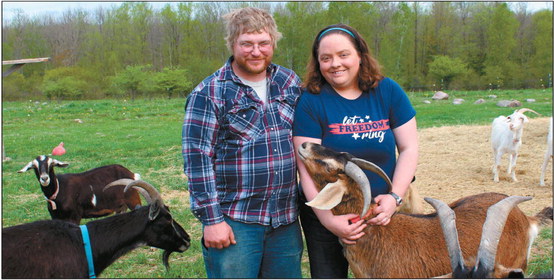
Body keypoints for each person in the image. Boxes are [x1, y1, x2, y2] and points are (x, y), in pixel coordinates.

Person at [182, 7, 303, 279]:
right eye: (246, 43)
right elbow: (197, 160)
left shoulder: (290, 82)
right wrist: (212, 221)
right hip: (236, 222)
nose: (256, 51)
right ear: (233, 44)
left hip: (285, 219)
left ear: (273, 42)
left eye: (263, 43)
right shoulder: (210, 92)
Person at [293, 23, 418, 278]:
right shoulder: (311, 100)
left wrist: (395, 198)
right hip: (331, 210)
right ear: (318, 63)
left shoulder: (387, 90)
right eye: (325, 58)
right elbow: (306, 167)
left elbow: (409, 148)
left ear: (360, 55)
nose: (335, 64)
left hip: (386, 207)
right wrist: (328, 220)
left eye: (343, 55)